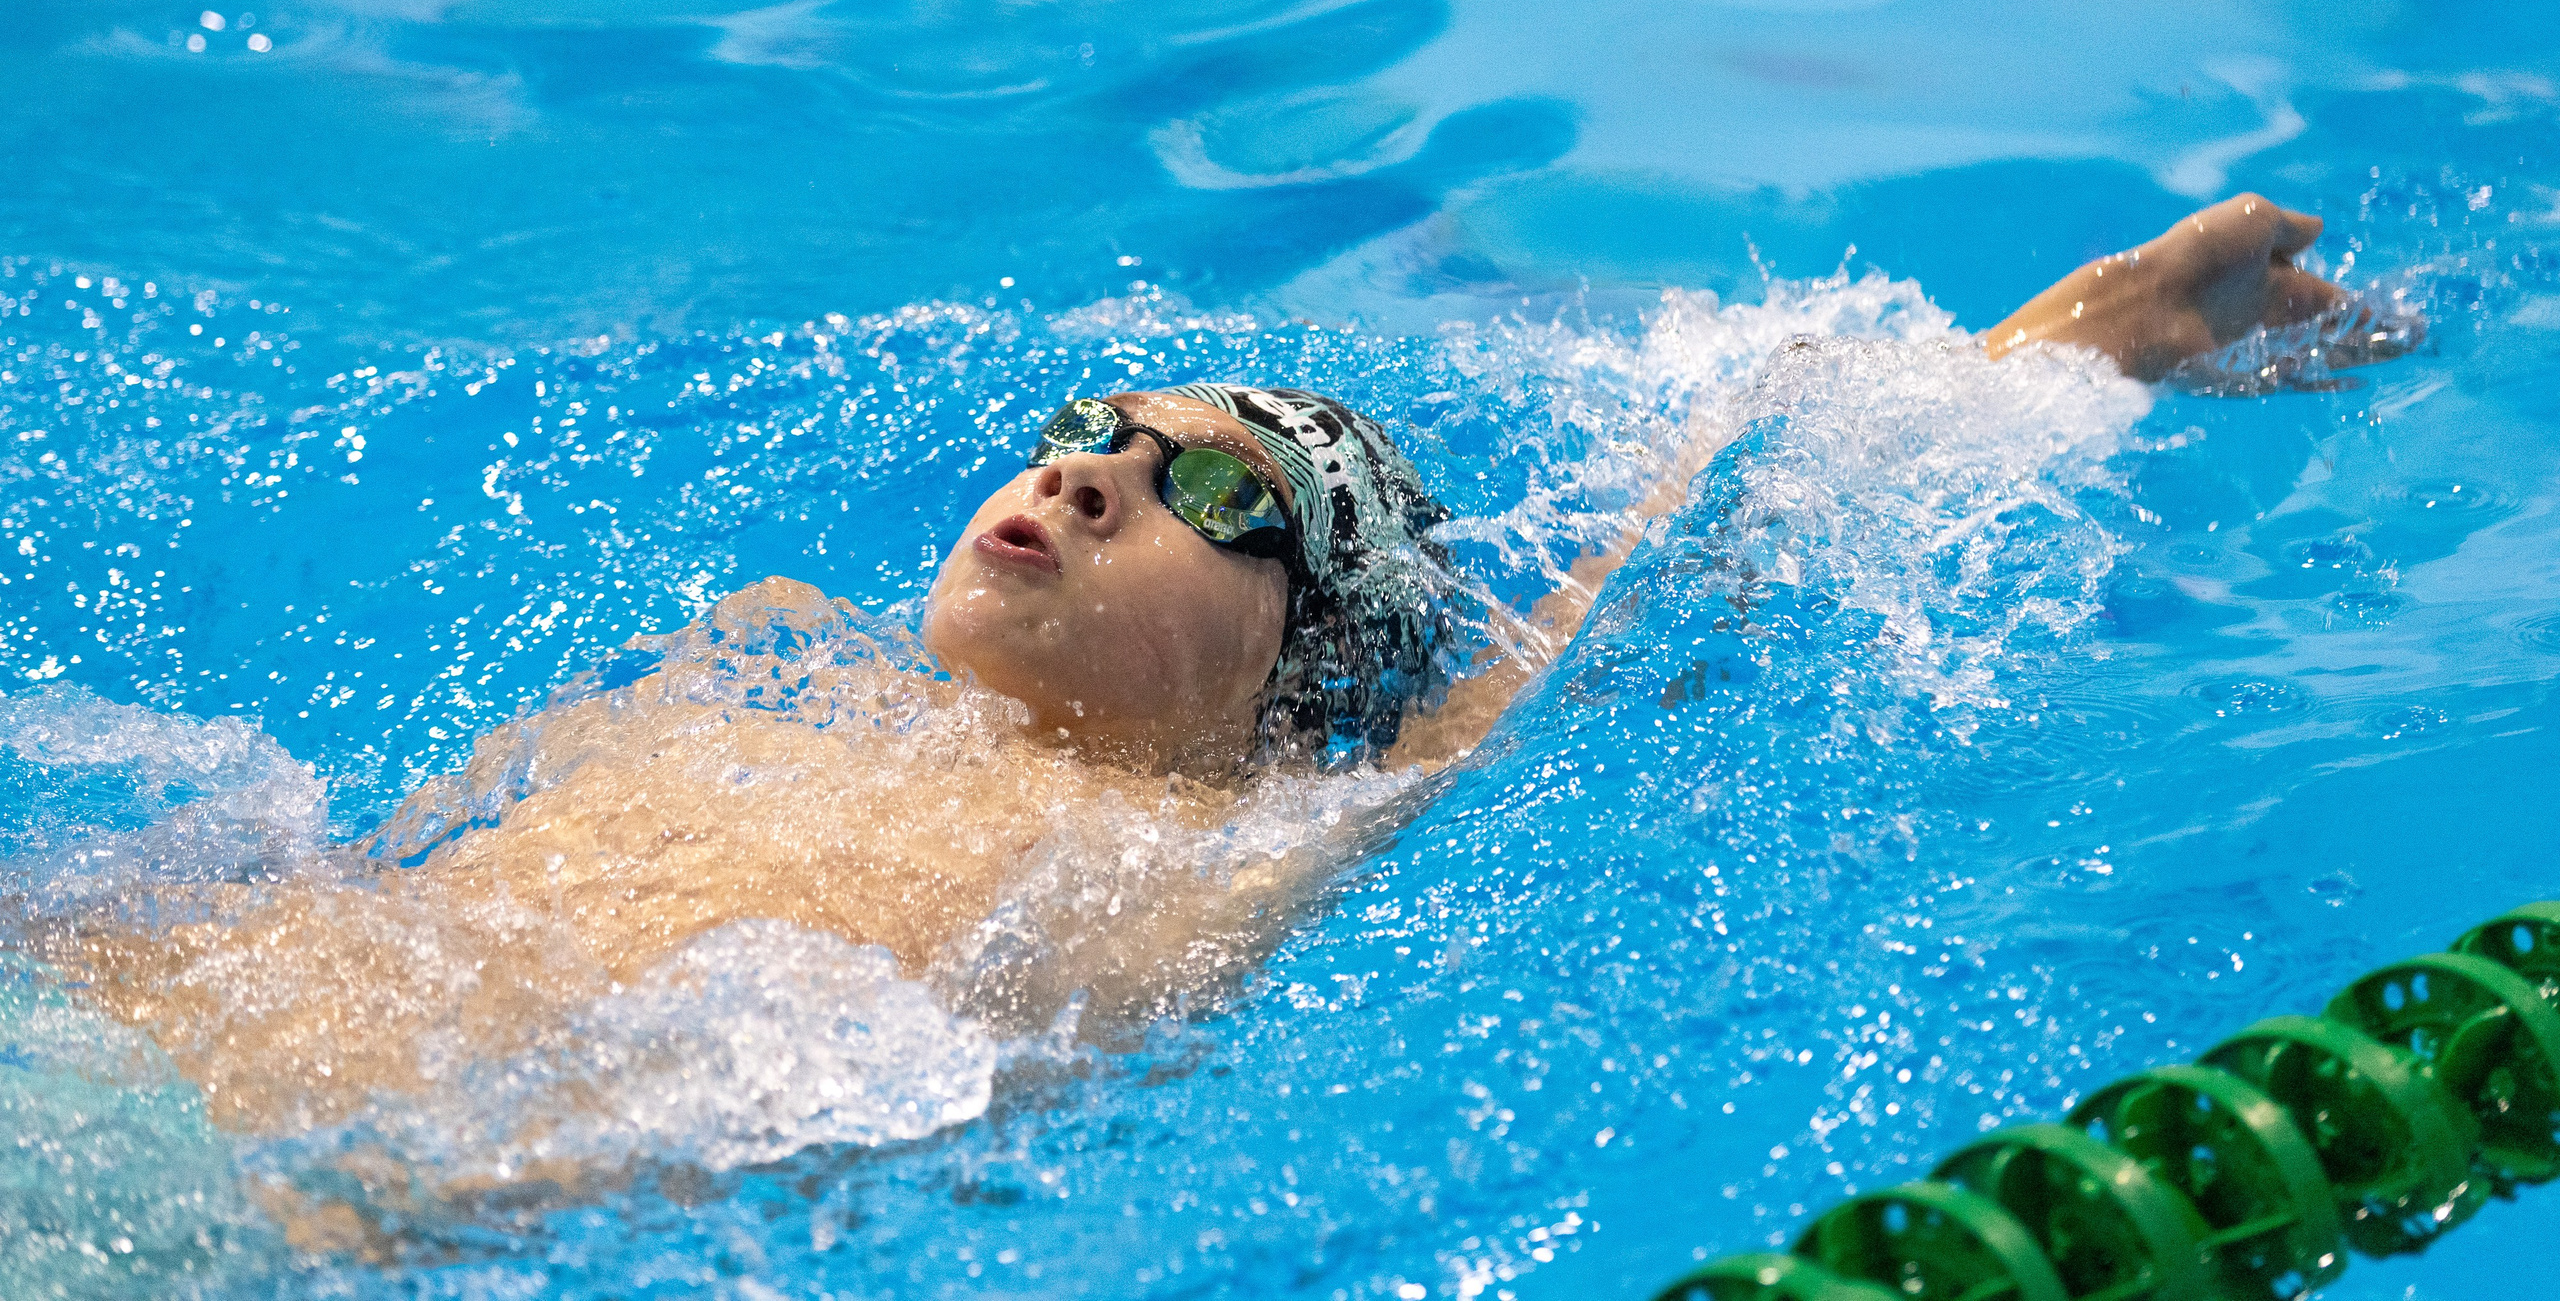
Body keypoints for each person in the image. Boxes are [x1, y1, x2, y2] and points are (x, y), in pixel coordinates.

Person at [29, 192, 2407, 1235]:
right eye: (1092, 426)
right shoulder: (774, 666)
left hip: (270, 1203)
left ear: (1299, 679)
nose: (1085, 466)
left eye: (1212, 491)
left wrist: (2050, 355)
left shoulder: (1205, 852)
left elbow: (1640, 589)